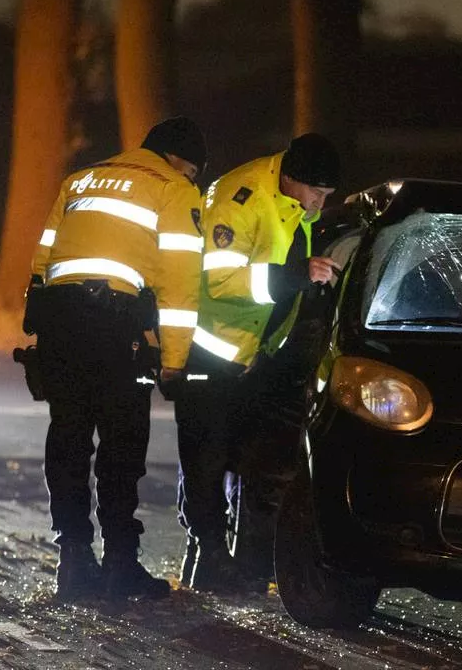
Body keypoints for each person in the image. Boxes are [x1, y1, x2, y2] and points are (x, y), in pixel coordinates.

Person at [24, 116, 207, 601]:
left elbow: (42, 261)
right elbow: (180, 284)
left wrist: (42, 331)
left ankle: (74, 562)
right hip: (115, 328)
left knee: (67, 438)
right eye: (193, 171)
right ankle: (120, 565)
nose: (193, 180)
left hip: (60, 324)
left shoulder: (79, 179)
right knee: (122, 446)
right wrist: (174, 360)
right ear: (178, 161)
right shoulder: (173, 188)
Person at [173, 132, 342, 593]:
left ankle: (225, 561)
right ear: (290, 177)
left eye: (327, 197)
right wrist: (294, 277)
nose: (319, 206)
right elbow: (222, 280)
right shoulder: (240, 198)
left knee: (240, 454)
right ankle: (207, 556)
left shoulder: (291, 201)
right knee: (206, 456)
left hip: (253, 355)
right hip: (212, 348)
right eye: (316, 194)